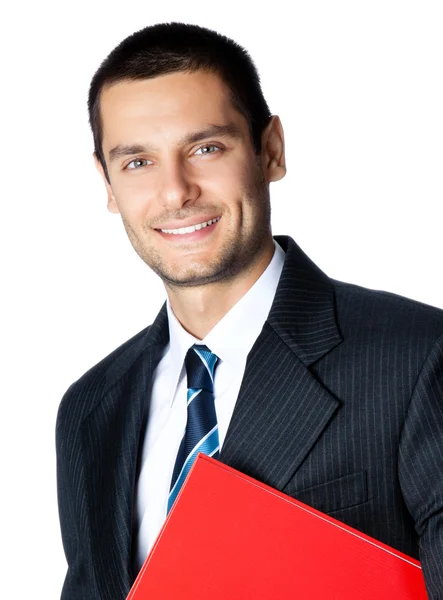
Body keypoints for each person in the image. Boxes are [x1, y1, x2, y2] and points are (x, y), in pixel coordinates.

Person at [56, 22, 443, 600]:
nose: (175, 191)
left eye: (205, 148)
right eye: (138, 162)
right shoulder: (90, 410)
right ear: (107, 184)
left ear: (270, 150)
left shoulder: (417, 359)